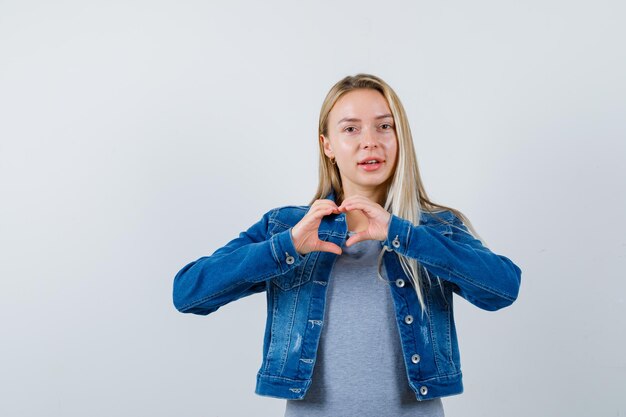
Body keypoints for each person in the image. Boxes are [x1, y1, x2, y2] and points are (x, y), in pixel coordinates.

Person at [172, 74, 522, 416]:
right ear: (327, 145)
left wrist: (404, 235)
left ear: (401, 138)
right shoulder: (286, 227)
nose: (370, 141)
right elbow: (189, 292)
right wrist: (288, 247)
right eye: (351, 128)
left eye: (384, 126)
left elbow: (502, 288)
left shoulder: (434, 229)